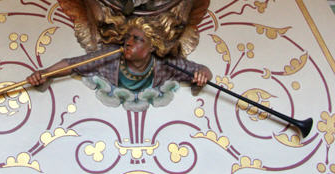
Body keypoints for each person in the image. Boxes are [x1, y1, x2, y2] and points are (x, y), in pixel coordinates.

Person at [27, 20, 212, 111]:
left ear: (151, 47)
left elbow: (202, 70)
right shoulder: (110, 57)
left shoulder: (165, 64)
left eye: (137, 39)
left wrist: (203, 75)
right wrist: (46, 73)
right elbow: (73, 64)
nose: (128, 42)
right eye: (127, 38)